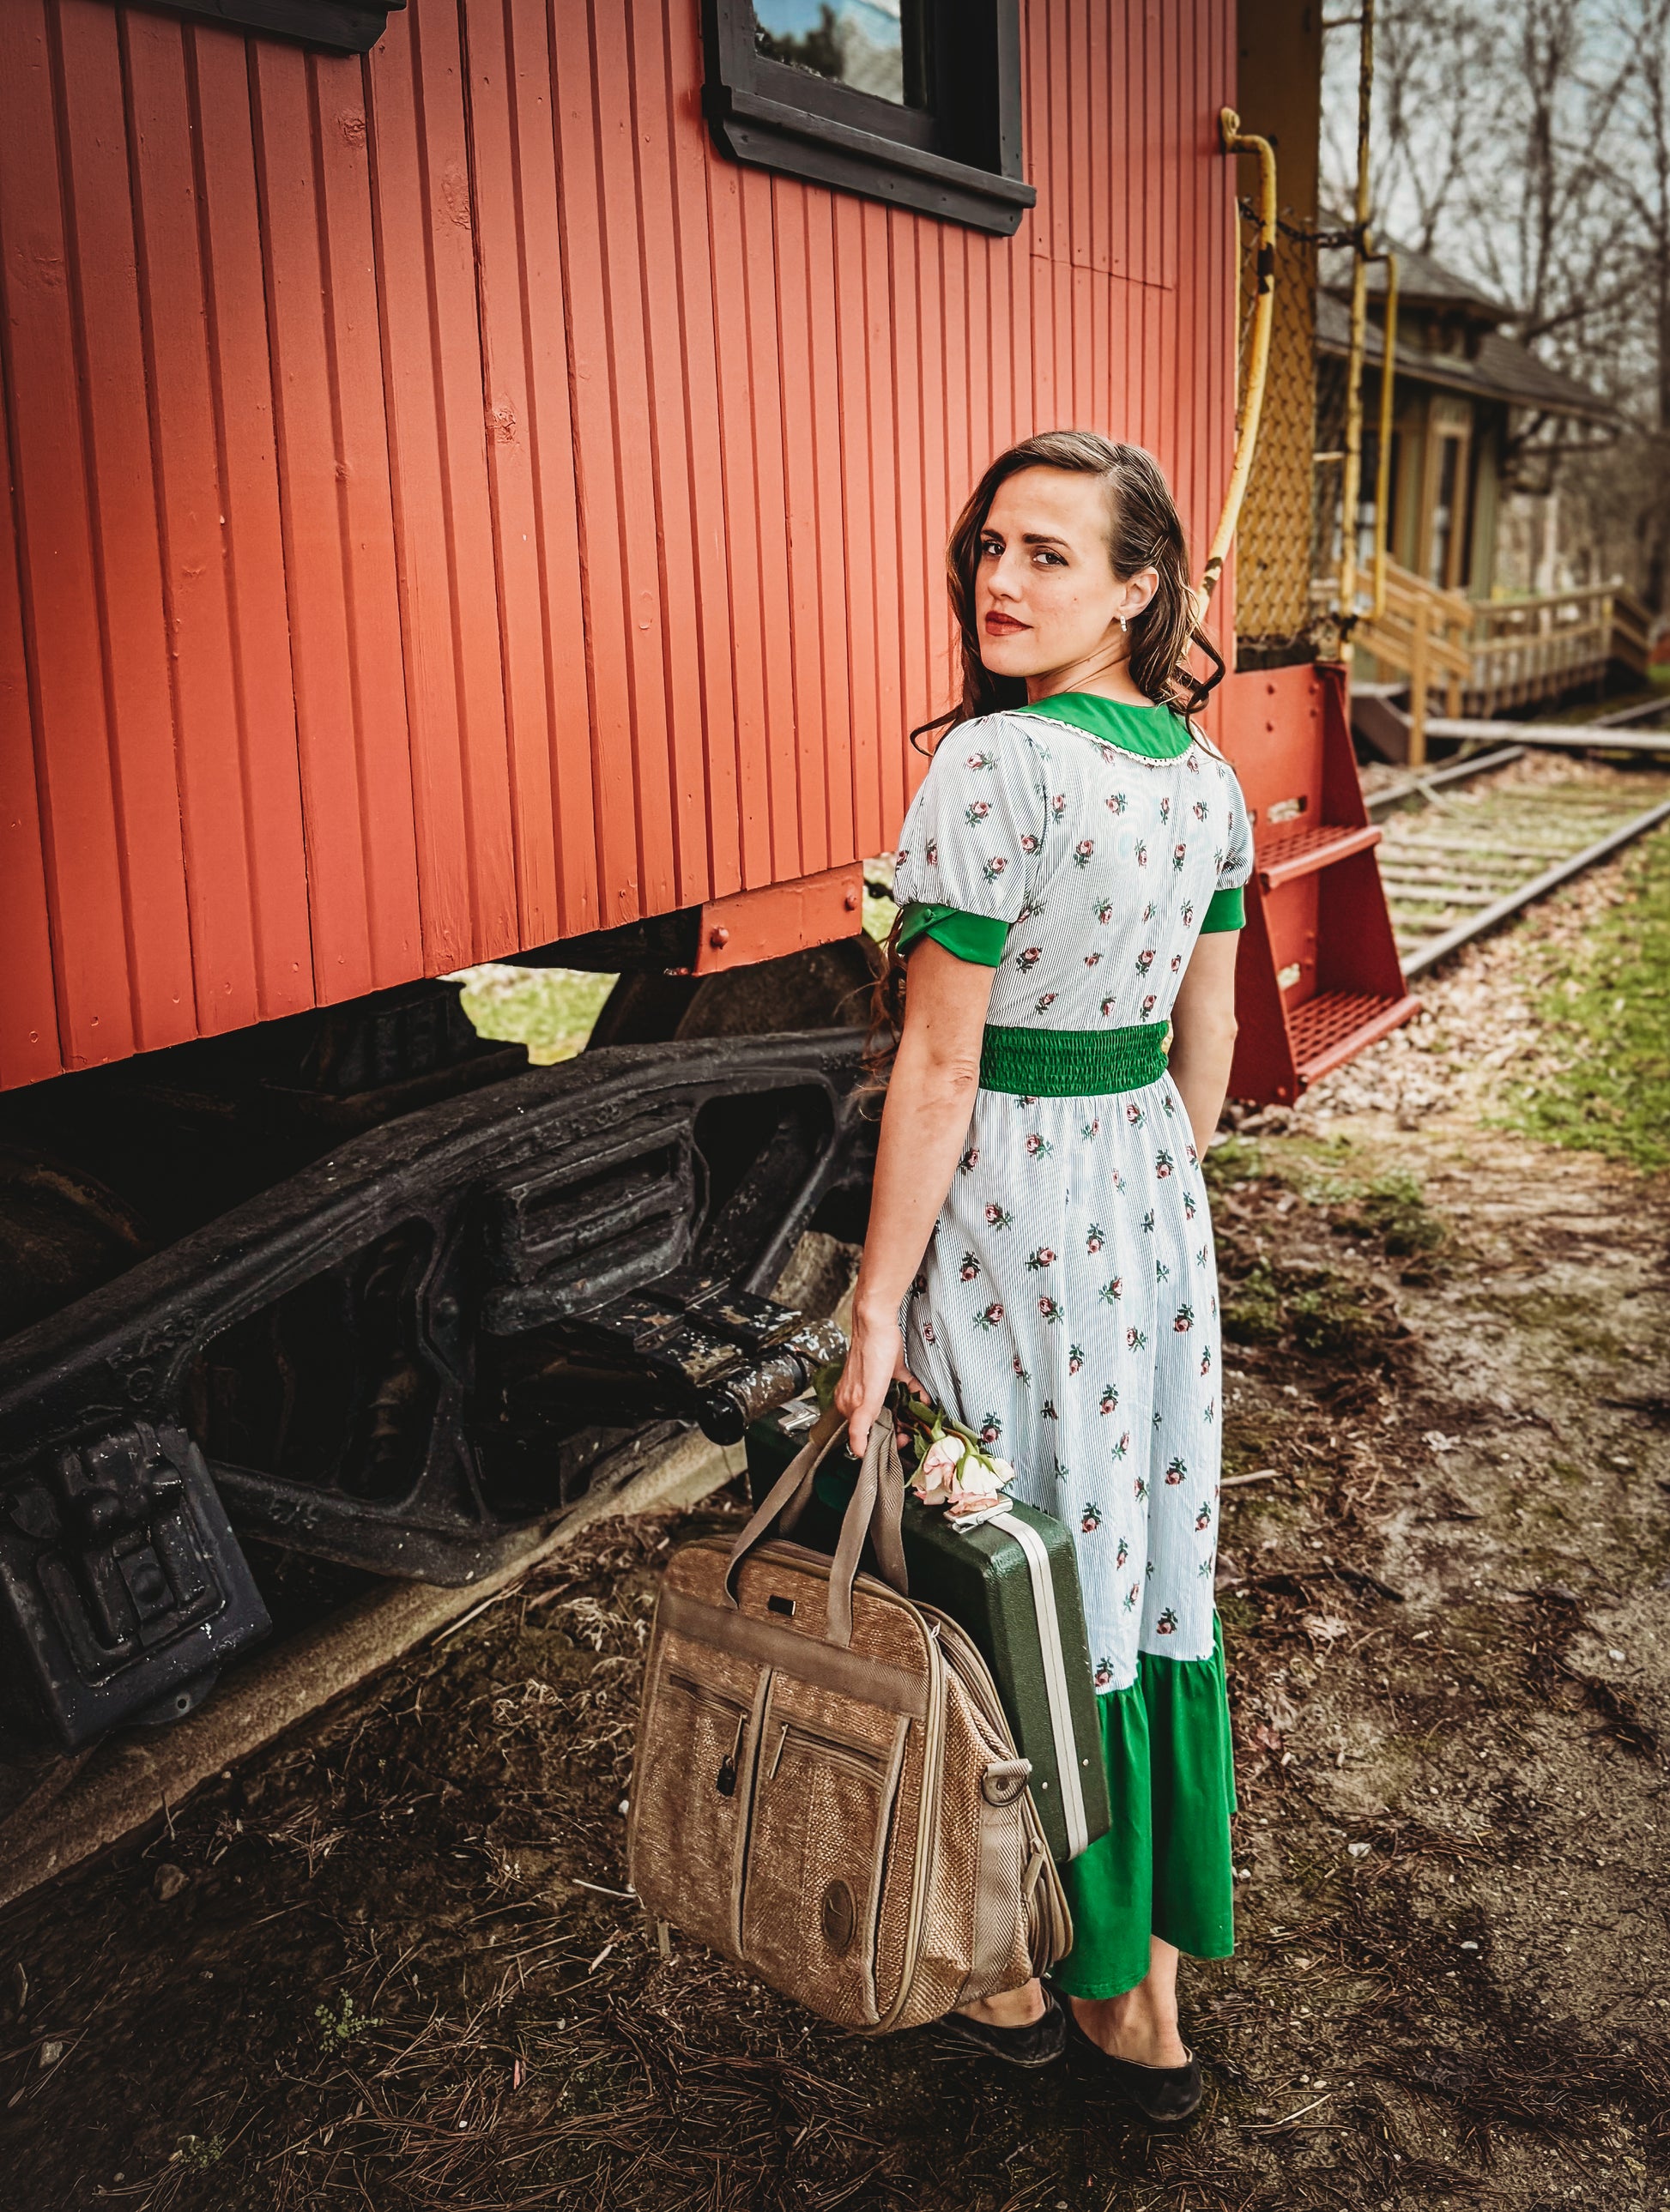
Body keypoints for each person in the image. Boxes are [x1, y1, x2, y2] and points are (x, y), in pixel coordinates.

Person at [834, 432, 1249, 2123]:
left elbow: (937, 1072)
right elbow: (1206, 1034)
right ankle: (1136, 1983)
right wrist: (1150, 1190)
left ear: (1141, 587)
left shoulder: (996, 772)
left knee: (999, 1564)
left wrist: (873, 1307)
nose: (1000, 580)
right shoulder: (1203, 780)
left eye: (1049, 555)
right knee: (1140, 1563)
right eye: (990, 545)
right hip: (1149, 1214)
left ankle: (1017, 1966)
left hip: (1007, 1213)